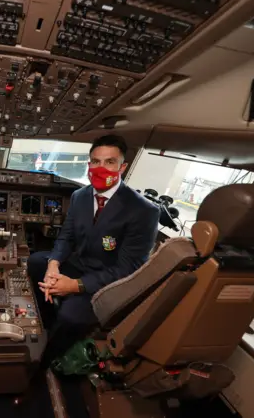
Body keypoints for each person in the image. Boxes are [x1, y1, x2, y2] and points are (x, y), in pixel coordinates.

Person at [28, 134, 159, 360]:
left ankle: (48, 360)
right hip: (79, 263)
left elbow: (129, 269)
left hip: (107, 281)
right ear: (89, 164)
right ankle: (46, 320)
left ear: (123, 167)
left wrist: (76, 285)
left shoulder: (143, 210)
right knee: (36, 262)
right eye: (96, 162)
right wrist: (54, 264)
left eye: (110, 162)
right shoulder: (80, 196)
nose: (101, 168)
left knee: (71, 317)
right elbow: (66, 237)